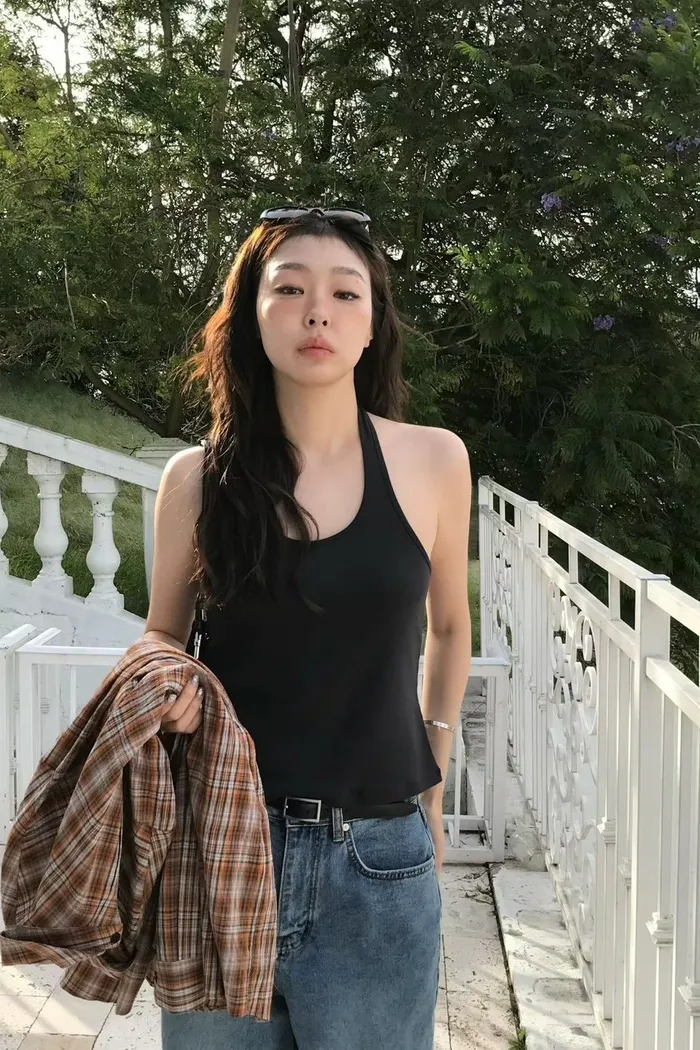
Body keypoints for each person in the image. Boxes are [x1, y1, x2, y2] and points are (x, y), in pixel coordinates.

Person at [144, 204, 473, 1050]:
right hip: (219, 852)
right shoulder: (195, 480)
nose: (316, 311)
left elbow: (449, 628)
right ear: (251, 317)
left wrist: (435, 774)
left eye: (344, 293)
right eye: (289, 289)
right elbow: (161, 639)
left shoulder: (434, 460)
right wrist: (166, 683)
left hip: (379, 860)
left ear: (373, 323)